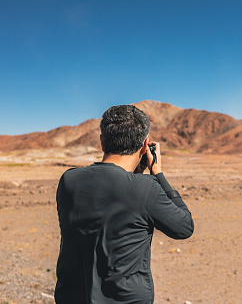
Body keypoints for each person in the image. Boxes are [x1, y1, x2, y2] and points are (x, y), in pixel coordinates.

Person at [55, 105, 194, 303]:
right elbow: (184, 227)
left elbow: (114, 197)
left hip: (73, 297)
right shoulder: (147, 189)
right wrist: (158, 173)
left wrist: (137, 175)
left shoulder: (69, 180)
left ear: (102, 142)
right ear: (145, 145)